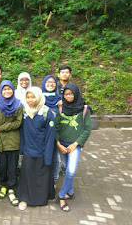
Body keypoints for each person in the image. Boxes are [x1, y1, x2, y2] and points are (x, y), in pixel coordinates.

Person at [55, 83, 92, 212]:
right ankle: (70, 192)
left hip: (74, 145)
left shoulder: (84, 109)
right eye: (66, 94)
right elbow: (56, 127)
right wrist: (58, 143)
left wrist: (75, 144)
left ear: (76, 94)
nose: (68, 96)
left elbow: (87, 130)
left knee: (71, 171)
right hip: (62, 145)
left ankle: (61, 196)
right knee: (65, 167)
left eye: (71, 94)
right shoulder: (60, 108)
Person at [17, 87, 55, 211]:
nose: (30, 100)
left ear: (38, 97)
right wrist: (22, 149)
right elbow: (22, 132)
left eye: (33, 97)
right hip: (28, 150)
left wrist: (48, 156)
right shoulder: (24, 111)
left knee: (40, 177)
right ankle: (25, 199)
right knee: (27, 176)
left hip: (42, 151)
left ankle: (40, 199)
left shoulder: (46, 112)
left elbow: (50, 137)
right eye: (28, 97)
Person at [0, 80, 22, 206]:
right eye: (4, 89)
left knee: (13, 167)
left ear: (13, 90)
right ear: (1, 91)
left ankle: (12, 189)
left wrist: (3, 127)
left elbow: (18, 123)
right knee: (2, 167)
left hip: (14, 141)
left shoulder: (18, 104)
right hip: (1, 142)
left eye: (9, 89)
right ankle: (3, 185)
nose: (7, 91)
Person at [41, 75, 62, 182]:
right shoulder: (39, 98)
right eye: (48, 82)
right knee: (42, 156)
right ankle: (43, 177)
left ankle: (54, 179)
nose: (50, 84)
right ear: (44, 84)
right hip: (42, 134)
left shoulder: (60, 99)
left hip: (55, 134)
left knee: (54, 157)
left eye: (53, 82)